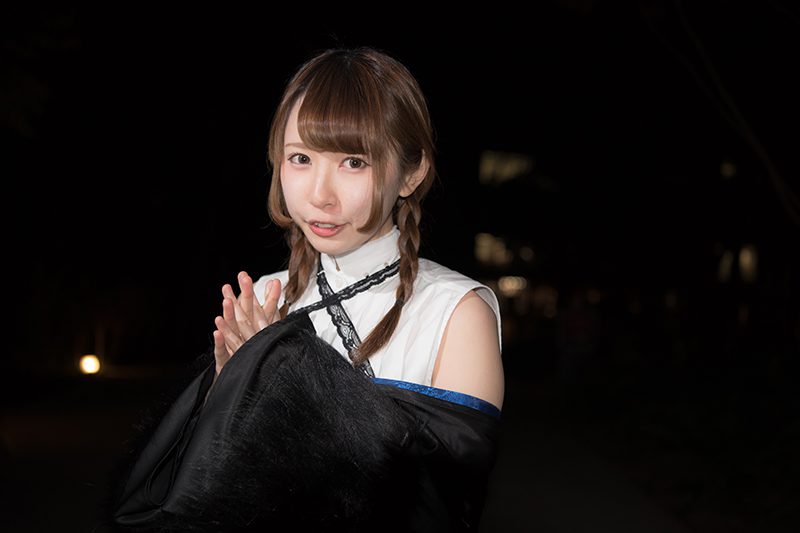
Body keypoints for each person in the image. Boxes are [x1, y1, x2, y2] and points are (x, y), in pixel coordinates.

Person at [112, 46, 504, 532]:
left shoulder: (456, 311)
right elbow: (209, 496)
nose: (319, 194)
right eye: (300, 158)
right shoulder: (264, 297)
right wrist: (224, 398)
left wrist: (282, 377)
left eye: (354, 162)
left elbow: (438, 503)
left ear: (412, 172)